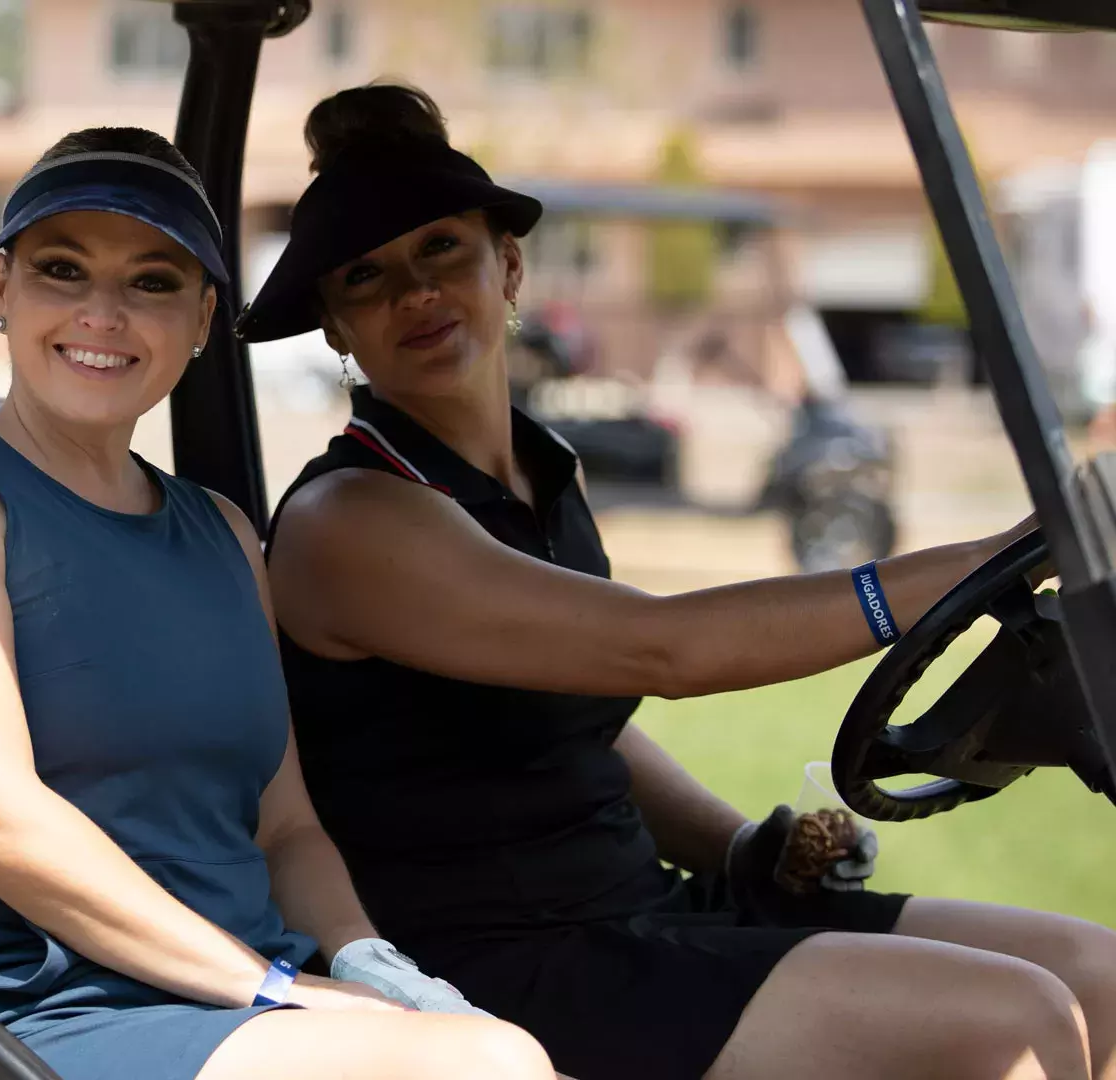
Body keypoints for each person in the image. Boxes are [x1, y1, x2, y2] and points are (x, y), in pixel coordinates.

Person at [245, 82, 1116, 1080]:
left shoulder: (540, 468)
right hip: (500, 962)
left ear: (509, 264)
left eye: (441, 248)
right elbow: (660, 648)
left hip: (638, 911)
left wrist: (740, 848)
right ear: (338, 330)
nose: (414, 292)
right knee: (1015, 1019)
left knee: (1096, 971)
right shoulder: (347, 521)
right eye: (367, 277)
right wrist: (969, 566)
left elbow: (593, 717)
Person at [0, 126, 555, 1080]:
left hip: (237, 1005)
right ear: (1, 290)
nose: (104, 314)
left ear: (204, 319)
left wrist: (368, 959)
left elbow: (282, 827)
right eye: (62, 270)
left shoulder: (221, 533)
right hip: (20, 1027)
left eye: (153, 283)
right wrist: (268, 987)